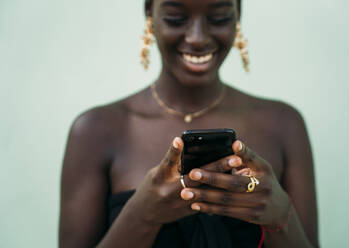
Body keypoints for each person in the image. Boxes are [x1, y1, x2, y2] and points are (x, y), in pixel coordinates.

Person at [59, 0, 319, 247]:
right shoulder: (96, 130)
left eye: (219, 18)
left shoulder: (284, 125)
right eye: (176, 18)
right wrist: (141, 216)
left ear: (238, 14)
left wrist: (281, 219)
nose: (197, 37)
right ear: (150, 13)